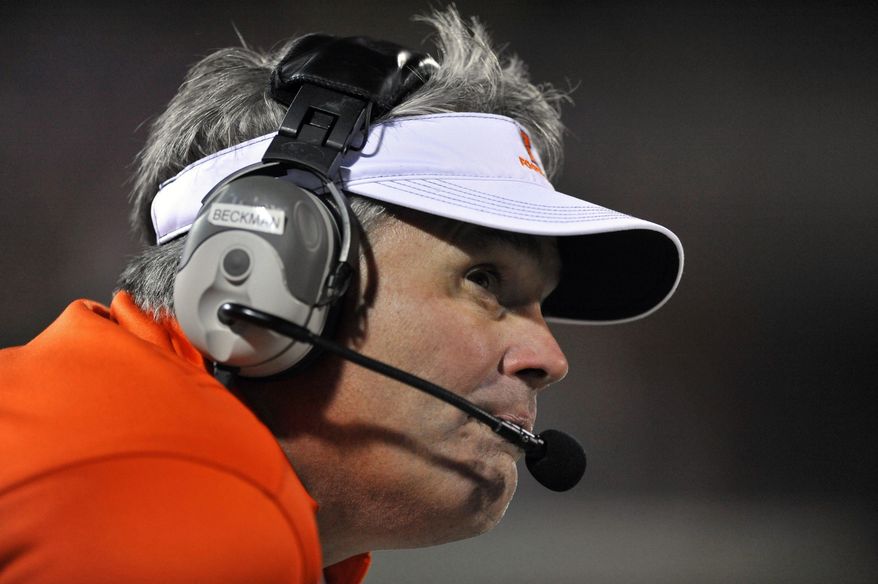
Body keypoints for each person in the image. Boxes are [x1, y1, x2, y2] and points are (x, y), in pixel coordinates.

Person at [0, 7, 682, 583]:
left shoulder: (121, 448)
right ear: (264, 274)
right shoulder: (178, 498)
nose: (548, 356)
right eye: (484, 281)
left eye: (540, 303)